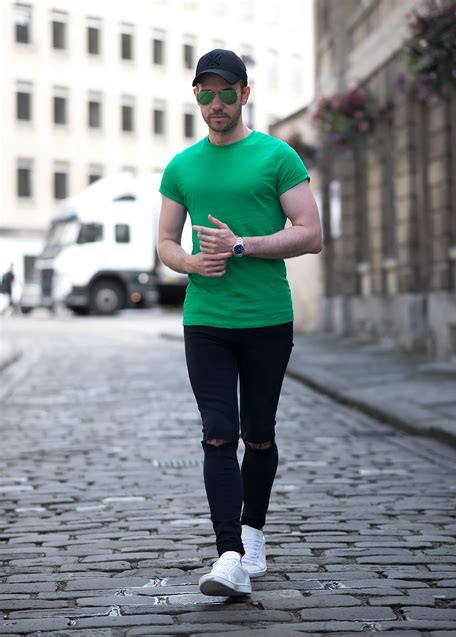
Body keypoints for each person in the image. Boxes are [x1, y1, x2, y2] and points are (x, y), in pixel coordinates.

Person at [158, 49, 322, 597]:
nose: (216, 102)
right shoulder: (182, 166)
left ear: (245, 95)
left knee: (259, 435)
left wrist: (242, 245)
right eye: (205, 92)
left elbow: (310, 232)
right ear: (196, 97)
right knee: (217, 434)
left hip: (266, 319)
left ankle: (253, 533)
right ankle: (228, 553)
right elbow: (164, 242)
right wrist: (191, 263)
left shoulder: (277, 157)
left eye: (227, 92)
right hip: (205, 320)